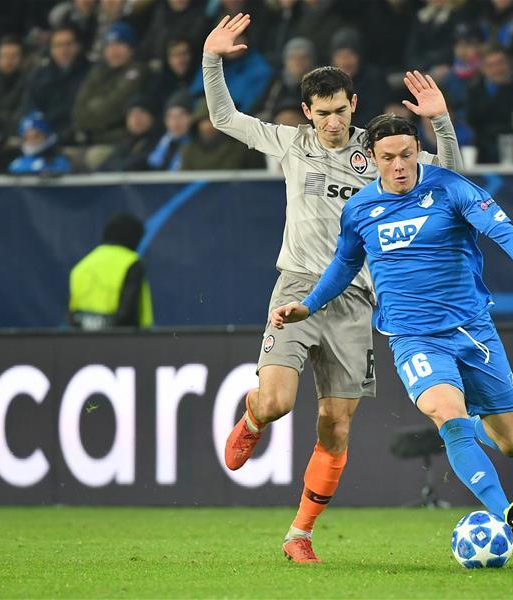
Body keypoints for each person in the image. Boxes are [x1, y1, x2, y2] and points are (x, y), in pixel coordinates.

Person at [201, 12, 463, 563]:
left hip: (355, 298)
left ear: (353, 104)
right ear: (307, 112)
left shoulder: (385, 152)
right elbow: (224, 118)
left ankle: (300, 534)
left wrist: (440, 123)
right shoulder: (292, 144)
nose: (334, 123)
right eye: (322, 114)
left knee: (335, 424)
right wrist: (211, 58)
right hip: (296, 288)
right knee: (275, 403)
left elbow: (451, 177)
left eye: (341, 111)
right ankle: (250, 419)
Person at [269, 113, 513, 555]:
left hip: (473, 332)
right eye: (388, 157)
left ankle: (470, 428)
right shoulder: (359, 210)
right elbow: (344, 265)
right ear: (371, 158)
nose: (399, 165)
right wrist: (309, 304)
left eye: (406, 155)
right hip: (413, 338)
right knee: (446, 416)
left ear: (417, 152)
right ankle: (508, 514)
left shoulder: (450, 188)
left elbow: (500, 229)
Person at [68, 213, 154, 330]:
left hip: (85, 342)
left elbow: (73, 316)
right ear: (134, 238)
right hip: (124, 342)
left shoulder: (80, 267)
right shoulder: (132, 263)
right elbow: (128, 314)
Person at [8, 111, 73, 175]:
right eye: (27, 137)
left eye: (36, 136)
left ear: (48, 137)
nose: (31, 141)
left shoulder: (59, 162)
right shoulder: (16, 164)